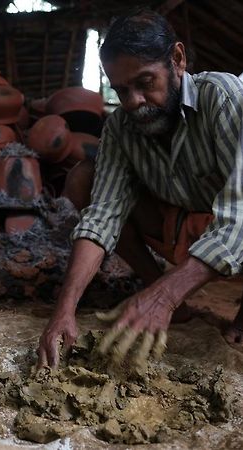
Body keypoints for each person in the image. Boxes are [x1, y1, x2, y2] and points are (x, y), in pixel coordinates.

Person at [38, 9, 243, 370]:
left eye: (145, 82)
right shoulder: (122, 128)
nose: (133, 101)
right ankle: (158, 285)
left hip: (234, 225)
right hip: (192, 224)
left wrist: (162, 298)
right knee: (84, 178)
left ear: (177, 60)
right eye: (121, 90)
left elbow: (239, 221)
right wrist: (64, 309)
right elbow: (102, 216)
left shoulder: (224, 100)